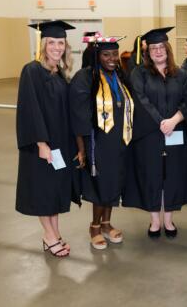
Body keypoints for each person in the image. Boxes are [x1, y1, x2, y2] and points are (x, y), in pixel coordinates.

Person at [16, 20, 78, 257]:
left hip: (59, 143)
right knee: (43, 191)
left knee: (54, 190)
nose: (56, 47)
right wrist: (42, 143)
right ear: (43, 45)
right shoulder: (32, 70)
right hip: (41, 144)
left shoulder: (59, 72)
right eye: (51, 42)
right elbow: (30, 109)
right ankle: (49, 235)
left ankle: (55, 233)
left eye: (60, 43)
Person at [126, 27, 187, 239]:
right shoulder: (139, 73)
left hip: (175, 132)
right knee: (152, 175)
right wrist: (161, 122)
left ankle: (168, 220)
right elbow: (140, 99)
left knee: (172, 175)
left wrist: (173, 121)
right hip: (149, 134)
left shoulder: (181, 75)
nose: (157, 51)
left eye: (161, 47)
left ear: (168, 49)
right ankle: (155, 220)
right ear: (147, 51)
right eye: (153, 48)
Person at [70, 36, 133, 249]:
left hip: (118, 141)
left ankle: (106, 224)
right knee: (100, 185)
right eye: (106, 54)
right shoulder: (85, 77)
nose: (112, 58)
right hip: (97, 141)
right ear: (97, 56)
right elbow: (78, 115)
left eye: (115, 54)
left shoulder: (120, 76)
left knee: (113, 182)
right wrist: (81, 148)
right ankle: (95, 227)